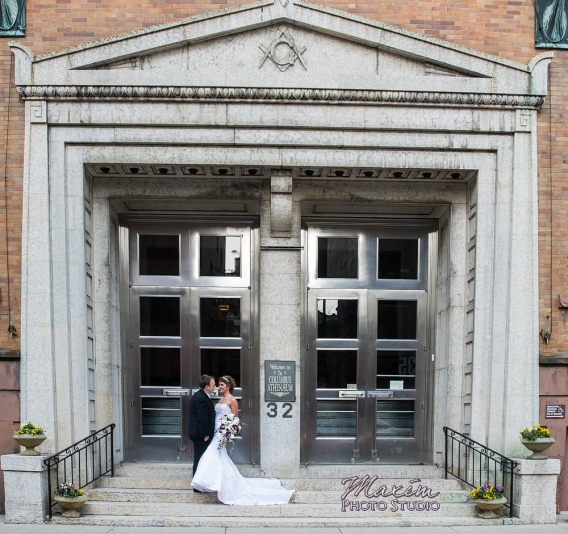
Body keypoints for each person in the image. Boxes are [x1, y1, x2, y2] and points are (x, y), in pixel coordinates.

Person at [191, 375, 294, 505]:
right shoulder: (221, 400)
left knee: (212, 454)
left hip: (221, 433)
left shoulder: (232, 400)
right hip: (215, 431)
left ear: (228, 386)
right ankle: (212, 482)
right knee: (216, 456)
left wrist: (228, 430)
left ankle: (209, 482)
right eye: (217, 384)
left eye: (221, 385)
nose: (219, 387)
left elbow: (234, 418)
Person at [188, 374, 216, 488]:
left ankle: (201, 483)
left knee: (201, 458)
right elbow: (202, 418)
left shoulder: (201, 396)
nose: (215, 387)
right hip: (200, 435)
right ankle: (197, 485)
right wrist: (205, 434)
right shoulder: (201, 398)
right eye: (213, 385)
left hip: (200, 434)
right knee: (199, 458)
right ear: (207, 387)